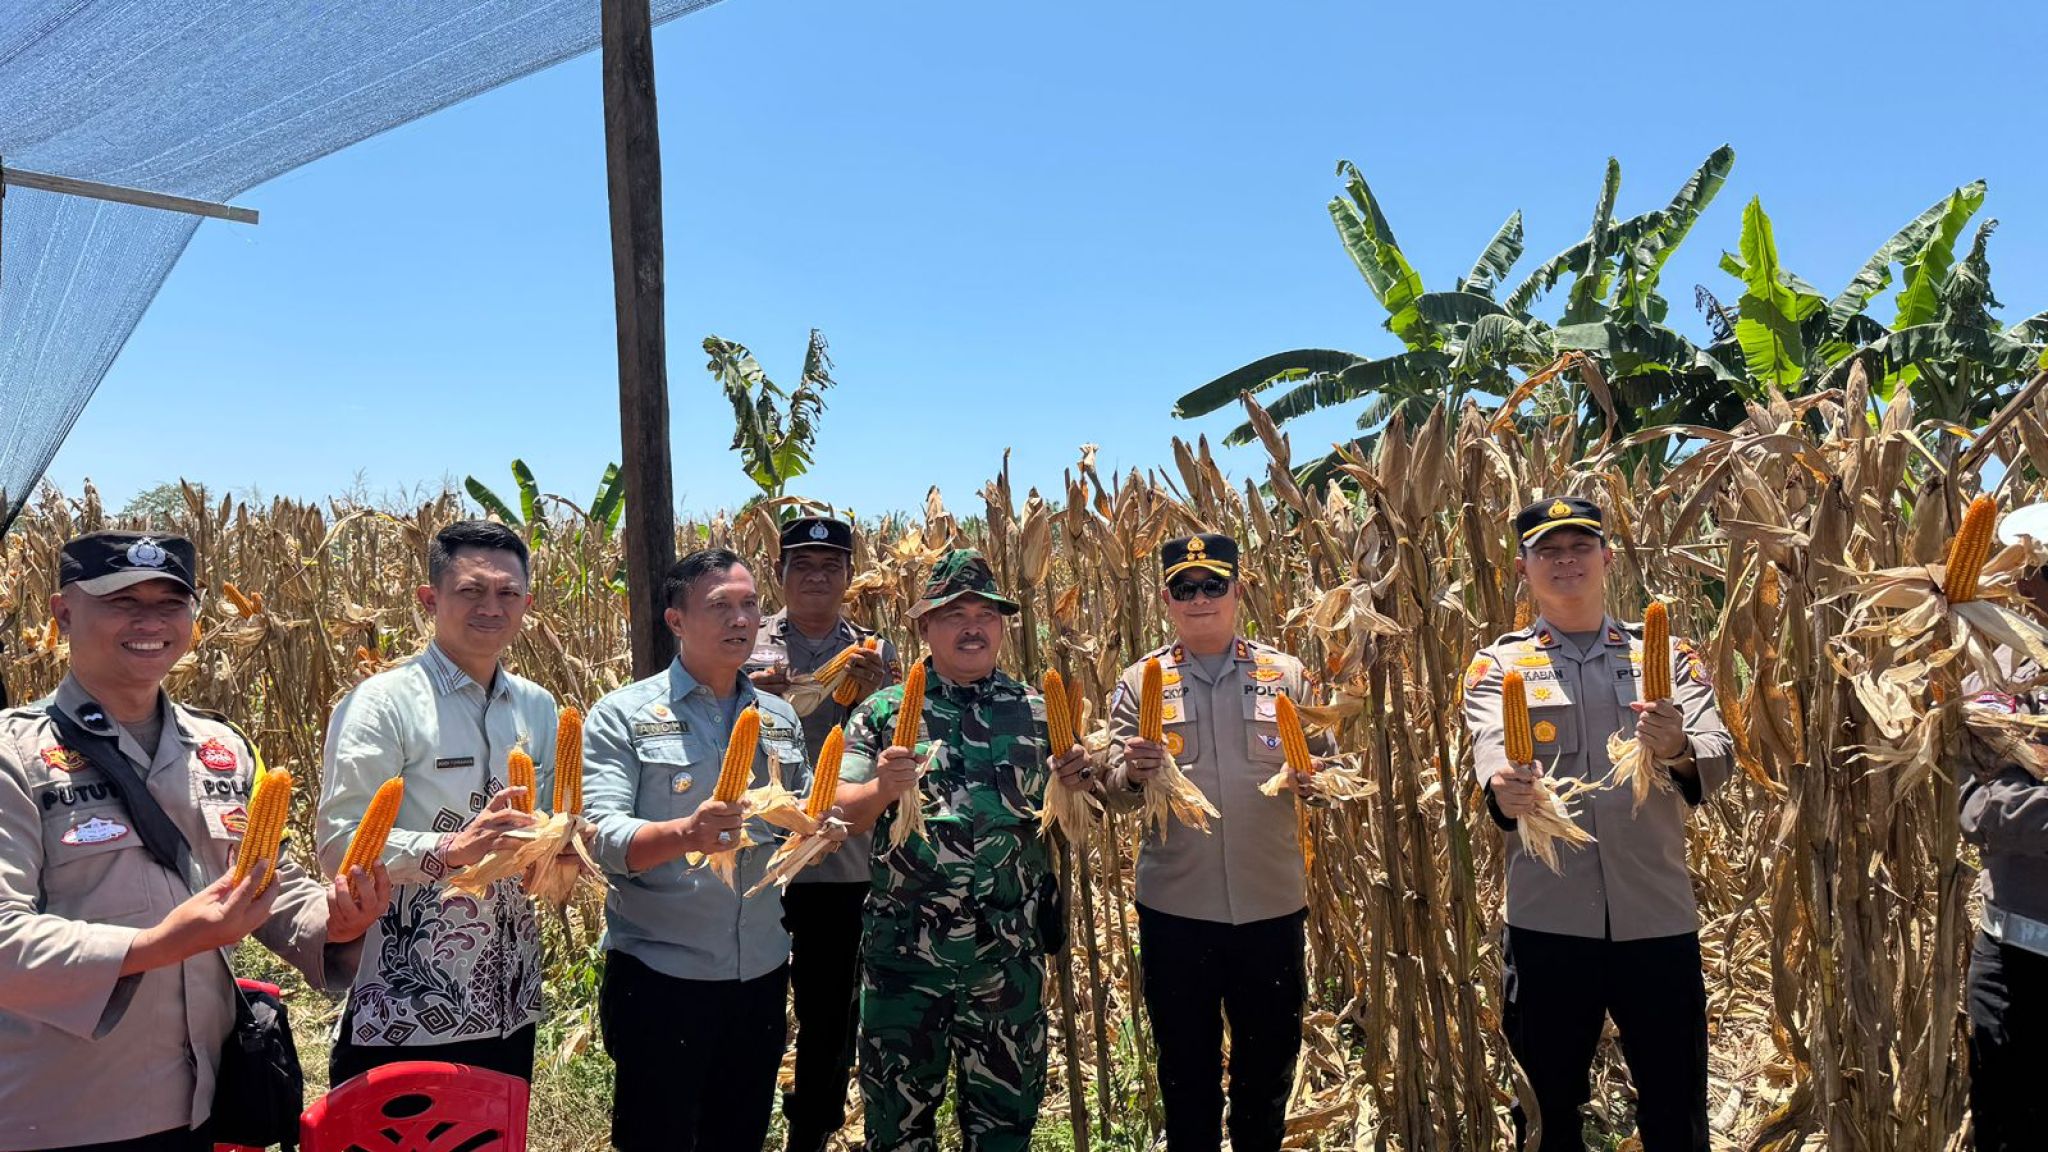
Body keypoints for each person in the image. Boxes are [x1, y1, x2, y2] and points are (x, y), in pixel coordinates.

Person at [0, 531, 389, 1151]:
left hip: (199, 1100)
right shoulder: (14, 755)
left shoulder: (222, 749)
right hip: (61, 1111)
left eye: (170, 602)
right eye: (123, 601)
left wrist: (334, 921)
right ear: (63, 612)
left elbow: (266, 880)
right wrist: (155, 945)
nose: (150, 622)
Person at [1462, 497, 1731, 1152]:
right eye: (1548, 550)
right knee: (1548, 1111)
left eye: (1580, 546)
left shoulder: (1670, 656)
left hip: (1657, 919)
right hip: (1549, 922)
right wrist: (1506, 787)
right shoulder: (1497, 665)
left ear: (1607, 558)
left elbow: (1717, 754)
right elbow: (1490, 747)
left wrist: (1675, 747)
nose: (1566, 561)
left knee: (1676, 1109)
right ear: (1522, 569)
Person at [584, 548, 844, 1152]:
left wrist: (817, 828)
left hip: (758, 973)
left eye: (750, 604)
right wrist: (686, 834)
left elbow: (798, 814)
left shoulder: (778, 717)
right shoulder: (623, 715)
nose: (741, 620)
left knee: (739, 1136)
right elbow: (599, 836)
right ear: (676, 621)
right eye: (720, 606)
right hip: (661, 977)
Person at [834, 548, 1089, 1152]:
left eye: (985, 613)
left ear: (1002, 625)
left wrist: (1085, 778)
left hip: (1007, 959)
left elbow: (1083, 805)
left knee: (1004, 1129)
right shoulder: (881, 712)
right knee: (897, 1130)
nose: (971, 625)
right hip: (905, 963)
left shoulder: (1036, 711)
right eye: (953, 613)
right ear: (924, 626)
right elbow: (836, 810)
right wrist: (880, 788)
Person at [1101, 532, 1332, 1152]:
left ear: (1238, 590)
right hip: (1177, 911)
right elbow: (1112, 794)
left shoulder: (1285, 675)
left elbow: (1330, 770)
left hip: (1271, 906)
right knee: (1186, 1075)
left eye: (1212, 585)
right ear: (1167, 599)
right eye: (1184, 588)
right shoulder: (1137, 681)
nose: (1199, 598)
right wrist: (1132, 775)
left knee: (1269, 1072)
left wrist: (1319, 784)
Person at [315, 519, 559, 1084]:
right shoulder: (382, 704)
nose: (491, 607)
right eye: (471, 591)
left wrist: (559, 851)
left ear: (527, 602)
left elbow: (545, 827)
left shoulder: (537, 707)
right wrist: (453, 848)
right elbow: (338, 843)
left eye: (507, 593)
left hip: (510, 1001)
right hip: (402, 1007)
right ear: (430, 598)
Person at [744, 515, 898, 1152]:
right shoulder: (742, 638)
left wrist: (884, 691)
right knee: (751, 1003)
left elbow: (895, 734)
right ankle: (741, 1117)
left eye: (830, 566)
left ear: (847, 577)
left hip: (839, 857)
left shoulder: (874, 651)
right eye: (802, 565)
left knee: (829, 1008)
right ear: (779, 574)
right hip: (751, 853)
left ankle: (812, 1126)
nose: (816, 577)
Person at [1961, 501, 2048, 1152]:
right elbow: (1971, 802)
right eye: (2015, 573)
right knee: (2001, 1127)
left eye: (2035, 572)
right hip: (2007, 959)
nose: (2021, 589)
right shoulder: (1994, 678)